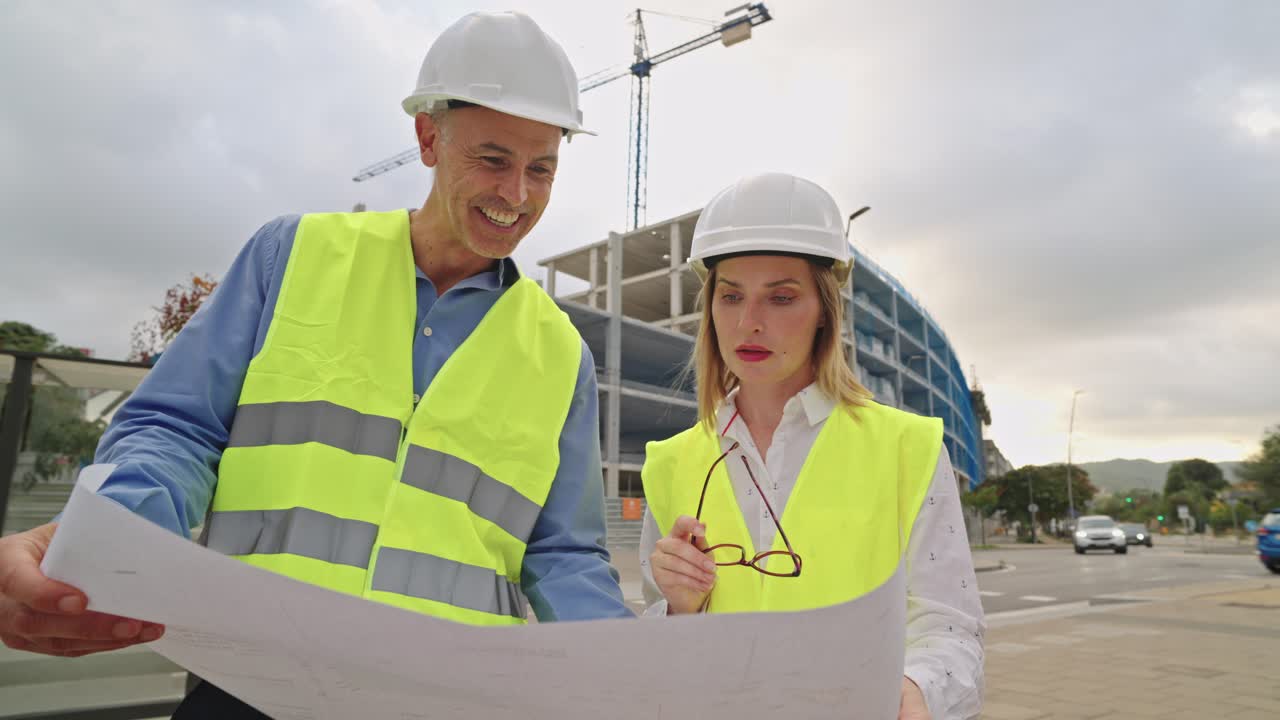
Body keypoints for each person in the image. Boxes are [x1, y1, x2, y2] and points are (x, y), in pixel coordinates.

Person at [0, 11, 631, 717]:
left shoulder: (560, 353)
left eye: (540, 169)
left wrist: (625, 676)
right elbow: (177, 433)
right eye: (492, 159)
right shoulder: (290, 257)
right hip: (251, 683)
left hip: (447, 702)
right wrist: (103, 541)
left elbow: (567, 554)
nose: (516, 194)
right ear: (428, 138)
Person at [640, 173, 985, 719]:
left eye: (780, 298)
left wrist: (915, 693)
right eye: (731, 296)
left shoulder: (908, 448)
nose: (749, 322)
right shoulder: (669, 463)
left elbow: (949, 630)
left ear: (824, 309)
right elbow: (660, 654)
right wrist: (680, 613)